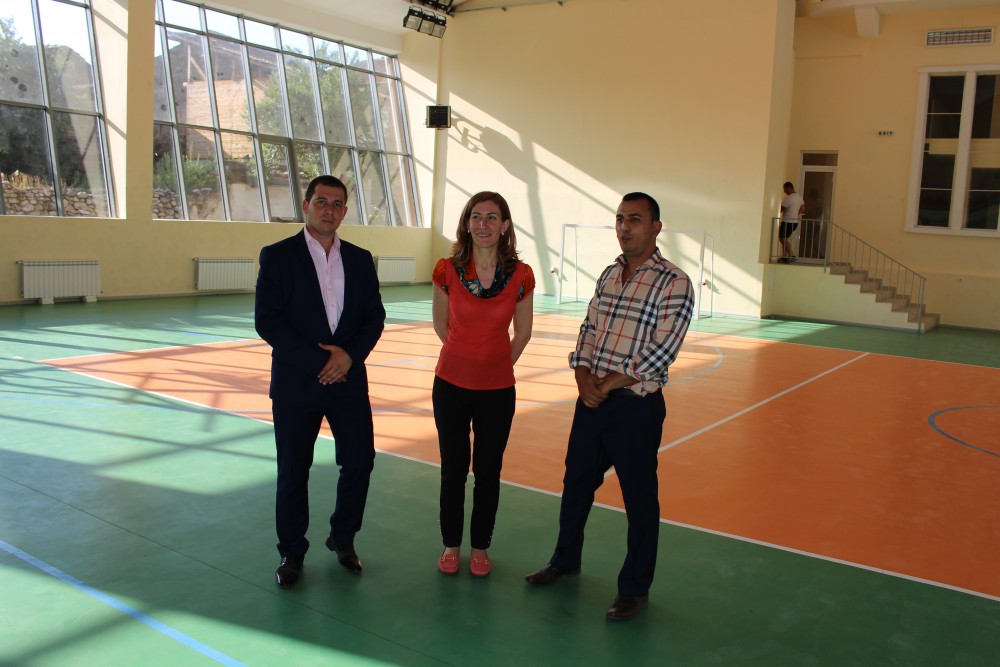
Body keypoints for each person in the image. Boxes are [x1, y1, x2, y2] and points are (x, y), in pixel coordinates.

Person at [524, 192, 694, 621]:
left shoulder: (674, 282)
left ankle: (634, 589)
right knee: (576, 482)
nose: (624, 227)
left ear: (656, 227)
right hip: (592, 399)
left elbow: (663, 350)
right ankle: (565, 560)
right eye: (620, 218)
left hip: (635, 408)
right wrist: (582, 374)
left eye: (634, 219)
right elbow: (589, 329)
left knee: (639, 498)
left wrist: (611, 381)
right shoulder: (609, 274)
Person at [255, 175, 386, 588]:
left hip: (348, 380)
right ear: (306, 205)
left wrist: (349, 356)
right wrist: (320, 362)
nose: (329, 210)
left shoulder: (361, 259)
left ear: (345, 211)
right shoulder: (277, 256)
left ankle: (342, 538)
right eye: (322, 202)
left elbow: (374, 316)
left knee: (360, 461)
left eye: (337, 204)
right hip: (297, 383)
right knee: (294, 470)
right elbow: (268, 321)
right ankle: (291, 551)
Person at [431, 191, 534, 577]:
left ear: (505, 225)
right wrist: (466, 359)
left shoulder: (521, 275)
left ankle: (480, 547)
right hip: (450, 386)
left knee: (488, 472)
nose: (483, 224)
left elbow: (523, 333)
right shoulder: (447, 270)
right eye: (476, 216)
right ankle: (450, 544)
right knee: (453, 470)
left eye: (492, 217)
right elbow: (441, 325)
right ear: (466, 223)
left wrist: (495, 366)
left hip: (498, 391)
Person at [778, 181, 805, 263]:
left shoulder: (789, 198)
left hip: (787, 221)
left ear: (788, 188)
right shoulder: (799, 197)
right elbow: (803, 208)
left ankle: (792, 255)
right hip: (794, 222)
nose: (784, 191)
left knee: (782, 239)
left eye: (785, 189)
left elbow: (782, 208)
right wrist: (796, 214)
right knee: (785, 239)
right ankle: (785, 256)